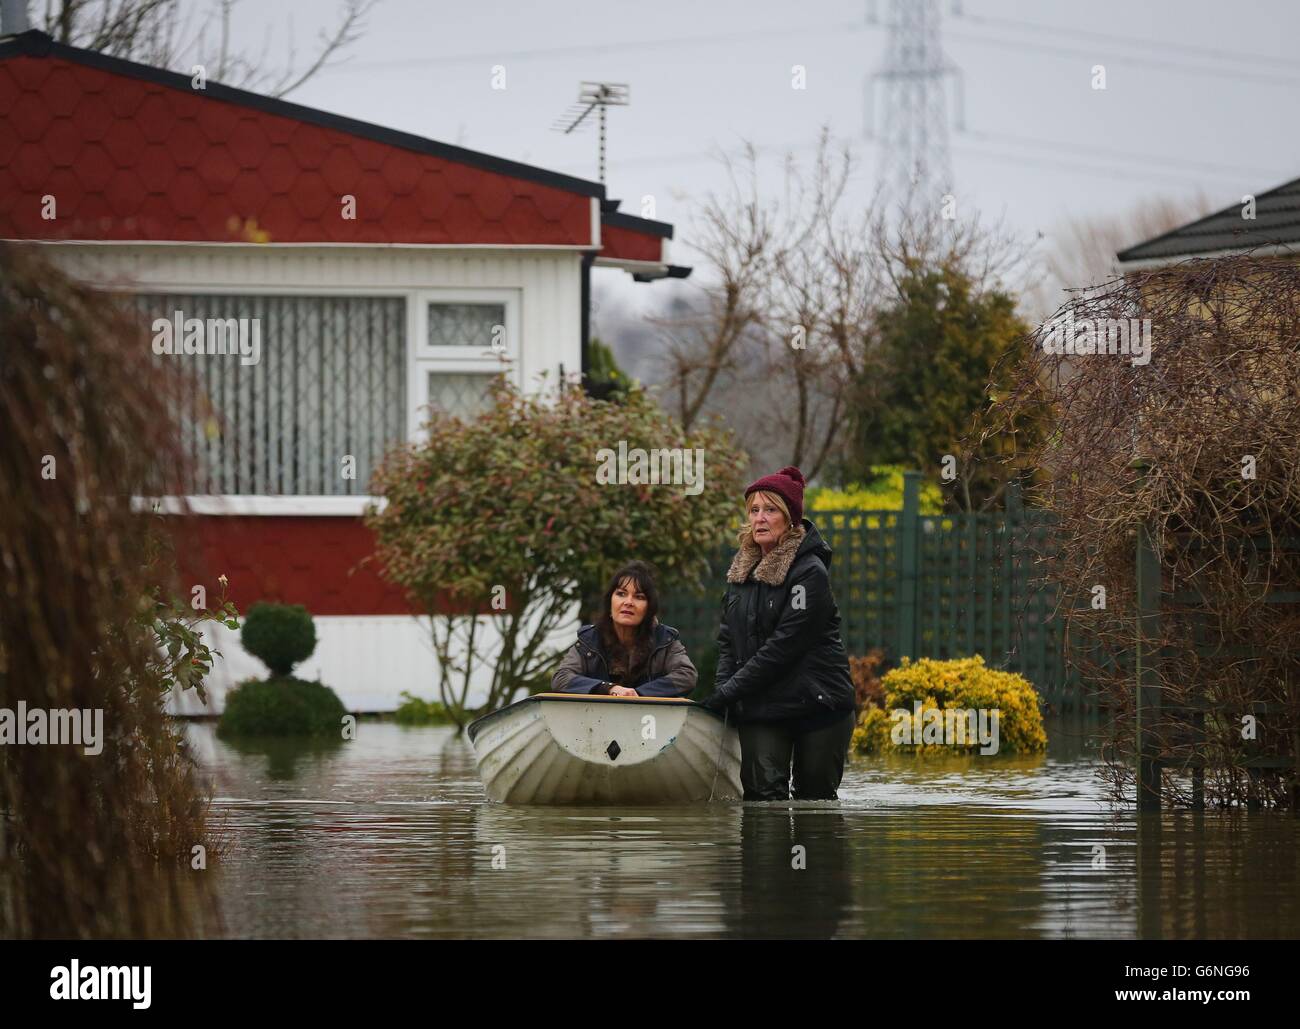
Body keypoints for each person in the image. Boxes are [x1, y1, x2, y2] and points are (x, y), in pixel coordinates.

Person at [702, 466, 857, 800]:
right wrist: (721, 690)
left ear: (790, 519)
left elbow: (781, 650)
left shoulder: (810, 573)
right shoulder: (739, 572)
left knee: (813, 802)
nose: (760, 518)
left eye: (770, 510)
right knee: (761, 799)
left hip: (819, 704)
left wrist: (728, 693)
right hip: (762, 705)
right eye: (754, 510)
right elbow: (729, 641)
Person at [551, 560, 697, 697]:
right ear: (610, 602)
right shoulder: (590, 639)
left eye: (639, 597)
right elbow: (561, 678)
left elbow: (686, 676)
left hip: (650, 720)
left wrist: (637, 694)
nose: (628, 602)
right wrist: (609, 688)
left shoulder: (665, 639)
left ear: (649, 608)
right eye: (621, 594)